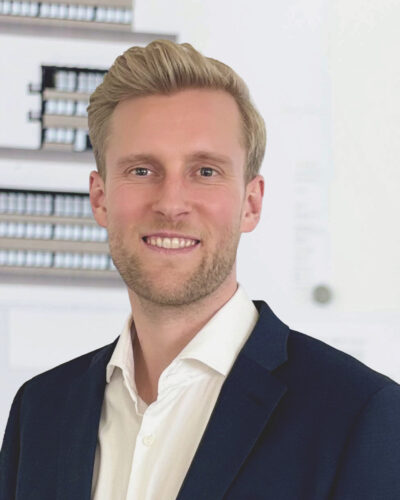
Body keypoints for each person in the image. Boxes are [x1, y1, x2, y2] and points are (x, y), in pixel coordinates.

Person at [1, 40, 399, 500]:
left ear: (251, 203)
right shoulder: (40, 411)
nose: (171, 203)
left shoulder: (358, 416)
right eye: (141, 171)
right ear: (100, 199)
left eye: (205, 171)